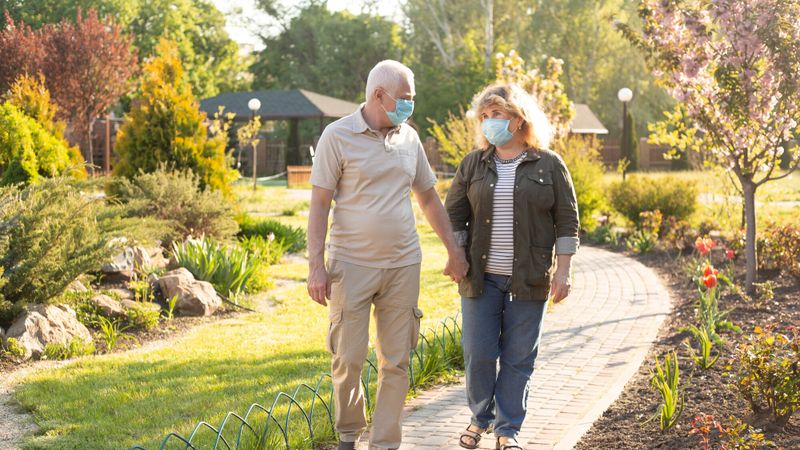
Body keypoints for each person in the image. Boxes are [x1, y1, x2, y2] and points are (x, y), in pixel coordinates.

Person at [306, 60, 468, 450]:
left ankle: (385, 444)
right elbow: (319, 204)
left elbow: (428, 197)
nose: (411, 105)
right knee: (348, 359)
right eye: (407, 97)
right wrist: (315, 267)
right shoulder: (337, 135)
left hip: (403, 265)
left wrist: (453, 250)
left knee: (396, 362)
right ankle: (348, 436)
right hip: (350, 265)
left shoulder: (409, 138)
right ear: (379, 95)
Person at [444, 83, 580, 450]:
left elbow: (567, 221)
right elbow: (453, 215)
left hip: (529, 278)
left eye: (497, 115)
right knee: (478, 354)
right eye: (485, 117)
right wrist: (456, 255)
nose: (489, 123)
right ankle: (479, 418)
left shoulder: (549, 164)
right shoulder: (473, 163)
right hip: (480, 279)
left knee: (519, 357)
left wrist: (563, 271)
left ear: (519, 119)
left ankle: (508, 430)